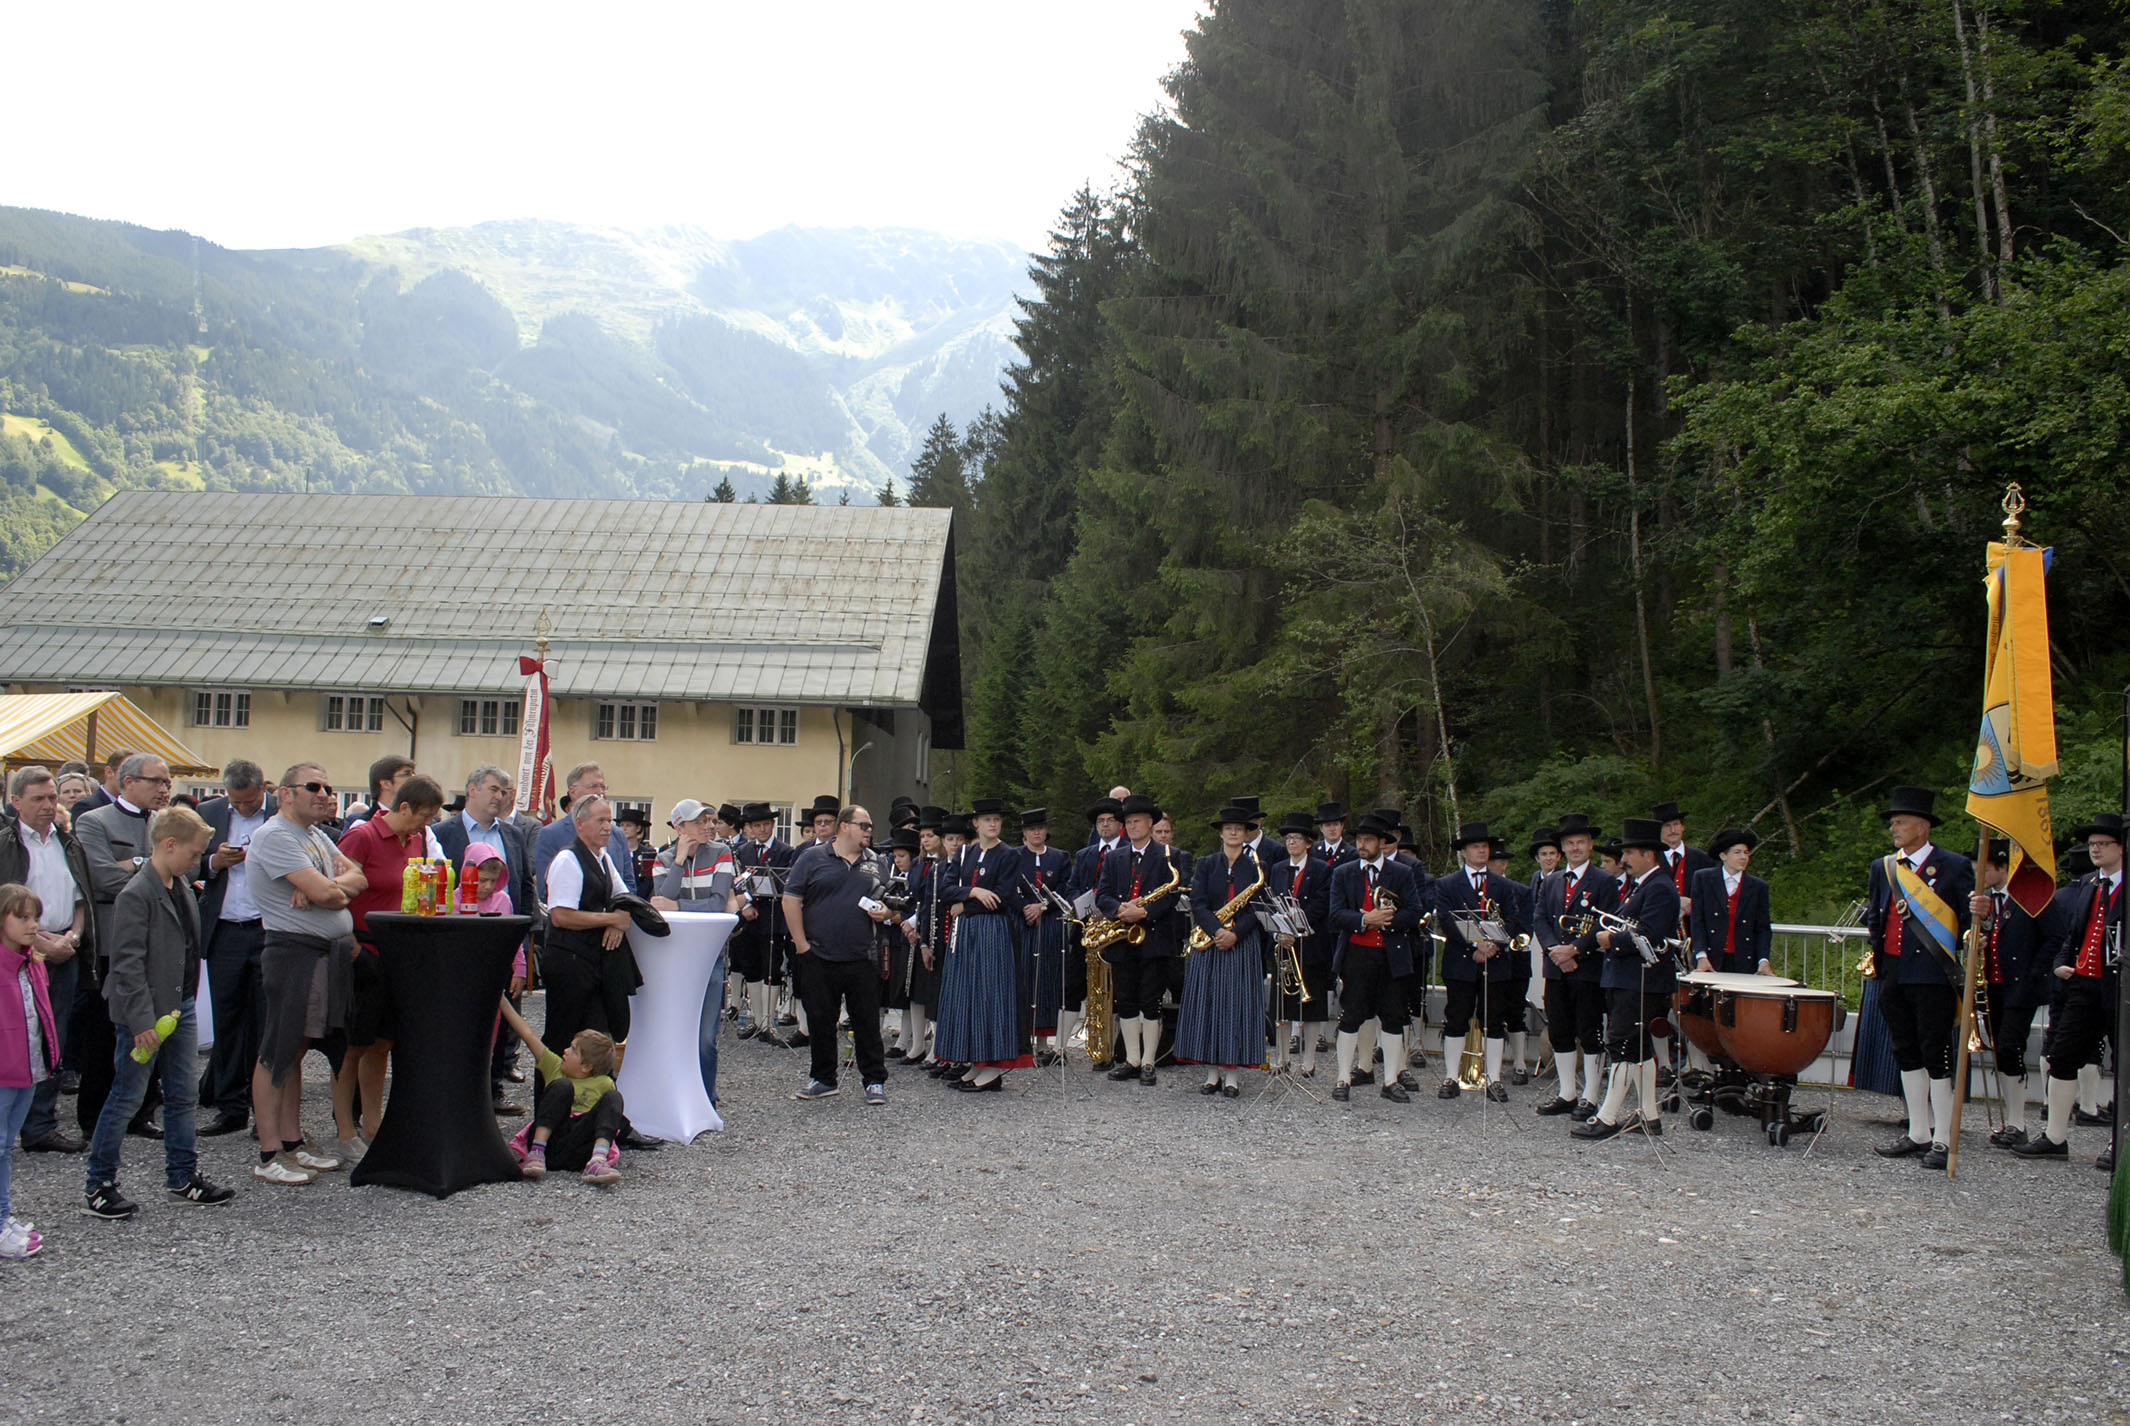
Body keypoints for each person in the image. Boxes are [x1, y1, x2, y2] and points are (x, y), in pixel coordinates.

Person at [81, 806, 234, 1219]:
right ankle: (99, 1183)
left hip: (178, 1006)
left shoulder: (179, 884)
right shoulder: (137, 894)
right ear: (169, 845)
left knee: (183, 1095)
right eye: (194, 852)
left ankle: (182, 1175)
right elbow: (127, 964)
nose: (197, 860)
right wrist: (141, 1021)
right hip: (146, 1014)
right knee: (126, 1097)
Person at [246, 764, 364, 1186]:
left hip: (322, 955)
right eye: (313, 786)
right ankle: (268, 1152)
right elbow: (329, 893)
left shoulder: (315, 836)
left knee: (296, 1050)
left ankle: (292, 1140)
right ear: (285, 793)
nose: (324, 793)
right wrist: (326, 888)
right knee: (277, 1049)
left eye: (328, 787)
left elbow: (357, 878)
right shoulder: (275, 836)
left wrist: (328, 886)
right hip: (293, 954)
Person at [333, 773, 446, 1155]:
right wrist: (351, 947)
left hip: (399, 952)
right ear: (404, 807)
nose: (426, 824)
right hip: (362, 949)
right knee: (352, 1045)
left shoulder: (416, 840)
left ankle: (373, 1121)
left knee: (382, 1043)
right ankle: (344, 1129)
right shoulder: (362, 836)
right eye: (424, 816)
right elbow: (337, 891)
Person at [1863, 786, 1974, 1171]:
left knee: (1935, 1053)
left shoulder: (1954, 866)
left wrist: (1982, 915)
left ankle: (1943, 1138)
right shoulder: (1883, 867)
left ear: (1922, 827)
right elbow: (1876, 915)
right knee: (1905, 1050)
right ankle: (1918, 1132)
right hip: (1893, 971)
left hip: (1932, 974)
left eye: (1901, 822)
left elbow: (1969, 921)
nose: (1894, 828)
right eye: (1893, 822)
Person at [2012, 811, 2124, 1163]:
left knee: (2124, 1064)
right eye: (2092, 844)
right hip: (2083, 985)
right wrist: (2062, 962)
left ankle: (2120, 1144)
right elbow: (2073, 933)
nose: (2095, 849)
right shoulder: (2089, 884)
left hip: (2121, 988)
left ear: (2122, 847)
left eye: (2103, 843)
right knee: (2062, 1056)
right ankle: (2055, 1136)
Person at [73, 753, 173, 1141]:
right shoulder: (95, 821)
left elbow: (186, 871)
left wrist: (133, 864)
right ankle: (95, 1116)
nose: (164, 789)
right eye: (156, 781)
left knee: (151, 1029)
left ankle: (141, 1111)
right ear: (129, 782)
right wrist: (152, 866)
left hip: (158, 944)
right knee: (104, 1032)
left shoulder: (167, 822)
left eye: (167, 782)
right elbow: (101, 878)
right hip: (113, 944)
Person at [0, 767, 94, 1155]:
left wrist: (72, 937)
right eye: (38, 798)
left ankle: (41, 1124)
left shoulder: (68, 843)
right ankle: (10, 1124)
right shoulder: (5, 845)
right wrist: (40, 942)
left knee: (55, 1037)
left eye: (52, 797)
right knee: (19, 1037)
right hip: (19, 957)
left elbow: (80, 897)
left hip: (64, 949)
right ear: (16, 801)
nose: (48, 805)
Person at [1570, 817, 1682, 1141]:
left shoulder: (1659, 887)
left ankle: (1607, 1116)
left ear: (1648, 854)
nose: (1624, 859)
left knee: (1621, 1045)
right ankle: (1649, 1114)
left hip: (1641, 980)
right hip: (1628, 978)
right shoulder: (1642, 885)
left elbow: (1650, 934)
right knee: (1639, 1048)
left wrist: (1611, 940)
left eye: (1630, 853)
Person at [433, 764, 534, 1109]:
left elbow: (523, 885)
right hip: (457, 950)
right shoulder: (442, 833)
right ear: (472, 790)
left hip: (502, 944)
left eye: (505, 791)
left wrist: (523, 938)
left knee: (500, 1023)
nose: (500, 797)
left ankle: (492, 1092)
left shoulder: (513, 835)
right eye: (494, 789)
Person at [782, 805, 895, 1104]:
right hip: (819, 953)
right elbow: (791, 899)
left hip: (864, 955)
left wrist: (886, 913)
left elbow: (890, 904)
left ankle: (874, 1080)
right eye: (864, 825)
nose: (869, 831)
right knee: (820, 1020)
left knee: (867, 1021)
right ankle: (823, 1078)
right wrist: (801, 944)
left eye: (870, 826)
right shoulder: (812, 858)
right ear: (844, 826)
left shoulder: (877, 862)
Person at [193, 760, 274, 1137]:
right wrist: (214, 862)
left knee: (265, 1023)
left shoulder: (280, 812)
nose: (242, 808)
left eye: (249, 802)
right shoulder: (209, 812)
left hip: (267, 929)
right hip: (224, 930)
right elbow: (186, 863)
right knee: (226, 1021)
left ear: (263, 789)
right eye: (236, 802)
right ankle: (230, 1106)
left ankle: (265, 1111)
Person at [540, 796, 642, 1094]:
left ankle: (594, 1108)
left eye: (609, 820)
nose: (608, 827)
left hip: (594, 963)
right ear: (580, 823)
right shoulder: (568, 860)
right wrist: (610, 919)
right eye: (601, 820)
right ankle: (550, 1109)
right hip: (568, 962)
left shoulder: (604, 858)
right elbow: (560, 916)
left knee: (596, 1041)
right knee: (561, 1039)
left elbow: (624, 898)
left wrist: (617, 920)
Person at [1326, 814, 1426, 1103]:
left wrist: (1386, 920)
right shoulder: (1344, 873)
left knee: (1394, 1016)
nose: (1362, 845)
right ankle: (1343, 1077)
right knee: (1351, 1015)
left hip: (1391, 955)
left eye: (1368, 840)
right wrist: (1364, 920)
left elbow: (1415, 911)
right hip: (1357, 955)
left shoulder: (1402, 872)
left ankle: (1390, 1080)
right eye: (1359, 840)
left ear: (1382, 843)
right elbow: (1335, 914)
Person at [934, 799, 1032, 1092]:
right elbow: (945, 889)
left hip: (993, 932)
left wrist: (964, 905)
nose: (993, 824)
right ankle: (976, 1061)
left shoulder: (1008, 855)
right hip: (966, 935)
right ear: (976, 823)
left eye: (997, 819)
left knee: (991, 994)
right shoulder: (966, 852)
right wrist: (974, 892)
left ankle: (993, 1068)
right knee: (968, 993)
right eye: (987, 819)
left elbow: (1002, 897)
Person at [1966, 841, 2055, 1149]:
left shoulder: (2030, 896)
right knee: (2001, 1051)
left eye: (1983, 869)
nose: (1978, 875)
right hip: (1994, 985)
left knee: (2010, 1046)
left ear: (2002, 867)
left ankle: (2018, 1121)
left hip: (2020, 985)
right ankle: (2010, 1120)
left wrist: (2034, 973)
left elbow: (2054, 936)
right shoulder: (1987, 901)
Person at [1179, 806, 1271, 1097]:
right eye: (1228, 828)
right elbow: (1198, 903)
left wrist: (1235, 934)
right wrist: (1217, 931)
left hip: (1241, 943)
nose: (1233, 832)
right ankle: (1211, 1075)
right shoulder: (1206, 863)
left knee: (1236, 1005)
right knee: (1207, 1004)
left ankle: (1232, 1077)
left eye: (1239, 829)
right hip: (1209, 940)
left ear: (1245, 834)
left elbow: (1258, 908)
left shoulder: (1256, 866)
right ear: (1221, 833)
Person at [1432, 822, 1528, 1102]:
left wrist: (1492, 945)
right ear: (1464, 852)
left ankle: (1494, 1078)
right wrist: (1475, 944)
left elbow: (1513, 919)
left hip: (1495, 961)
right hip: (1461, 961)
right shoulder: (1448, 883)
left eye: (1485, 847)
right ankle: (1452, 1076)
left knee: (1494, 1020)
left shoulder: (1502, 885)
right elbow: (1447, 920)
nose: (1482, 851)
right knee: (1456, 1017)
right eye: (1475, 847)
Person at [650, 798, 736, 1103]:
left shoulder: (721, 852)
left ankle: (706, 1097)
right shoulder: (663, 858)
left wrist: (678, 906)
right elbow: (661, 903)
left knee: (706, 1038)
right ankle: (679, 1094)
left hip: (710, 956)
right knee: (676, 1031)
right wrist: (678, 862)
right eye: (698, 822)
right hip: (674, 957)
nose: (707, 826)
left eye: (709, 821)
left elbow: (718, 904)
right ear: (679, 827)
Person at [1097, 795, 1186, 1086]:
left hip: (1155, 939)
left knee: (1151, 1001)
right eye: (1129, 822)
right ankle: (1132, 1059)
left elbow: (1172, 896)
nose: (1132, 826)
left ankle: (1149, 1061)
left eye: (1137, 821)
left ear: (1150, 824)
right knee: (1126, 999)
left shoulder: (1169, 855)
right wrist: (1119, 909)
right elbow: (1103, 894)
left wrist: (1145, 912)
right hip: (1123, 939)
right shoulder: (1114, 857)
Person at [1532, 814, 1615, 1119]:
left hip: (1587, 967)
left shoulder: (1604, 881)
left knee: (1589, 1031)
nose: (1576, 847)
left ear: (1590, 846)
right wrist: (1555, 950)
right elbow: (1540, 918)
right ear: (1563, 847)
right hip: (1556, 967)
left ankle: (1590, 1096)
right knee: (1560, 1030)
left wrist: (1575, 950)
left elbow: (1605, 922)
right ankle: (1567, 1092)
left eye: (1581, 842)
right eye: (1570, 843)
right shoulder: (1552, 880)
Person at [496, 999, 624, 1186]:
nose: (565, 1051)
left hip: (579, 1147)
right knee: (562, 1086)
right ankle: (536, 1152)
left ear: (586, 1066)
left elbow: (609, 1116)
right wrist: (502, 1001)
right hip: (553, 1142)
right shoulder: (555, 1067)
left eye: (573, 1050)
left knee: (614, 1098)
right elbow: (527, 1034)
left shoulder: (604, 1083)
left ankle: (597, 1160)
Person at [1, 883, 60, 1257]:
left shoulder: (33, 963)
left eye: (35, 917)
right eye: (22, 917)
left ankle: (3, 1215)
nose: (32, 925)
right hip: (5, 1072)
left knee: (6, 1146)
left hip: (27, 1069)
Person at [1266, 811, 1333, 1075]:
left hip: (1310, 943)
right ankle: (1282, 1058)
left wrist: (1296, 926)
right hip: (1284, 944)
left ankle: (1309, 1061)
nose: (1291, 842)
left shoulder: (1322, 869)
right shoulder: (1278, 869)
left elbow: (1321, 904)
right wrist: (1279, 932)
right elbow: (1272, 903)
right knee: (1282, 1006)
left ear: (1308, 843)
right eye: (1288, 838)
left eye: (1296, 837)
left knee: (1312, 1006)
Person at [726, 801, 795, 1046]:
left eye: (766, 824)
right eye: (757, 826)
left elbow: (784, 881)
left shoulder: (785, 851)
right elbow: (737, 883)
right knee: (751, 968)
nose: (762, 829)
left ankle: (769, 1022)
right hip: (749, 919)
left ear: (773, 825)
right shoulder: (743, 851)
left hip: (772, 918)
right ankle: (757, 1019)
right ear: (750, 828)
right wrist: (745, 905)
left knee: (772, 968)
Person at [1015, 809, 1072, 1066]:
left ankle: (1043, 1043)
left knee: (1048, 980)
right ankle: (1023, 1040)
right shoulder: (1014, 856)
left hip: (1050, 925)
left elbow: (1066, 889)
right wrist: (1026, 909)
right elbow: (1008, 887)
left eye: (1040, 828)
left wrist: (1043, 906)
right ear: (1024, 832)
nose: (1036, 832)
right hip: (1024, 924)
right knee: (1025, 978)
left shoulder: (1060, 857)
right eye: (1031, 829)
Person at [534, 764, 637, 898]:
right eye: (593, 786)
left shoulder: (617, 834)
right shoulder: (551, 834)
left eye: (602, 787)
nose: (600, 792)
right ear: (573, 792)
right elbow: (546, 889)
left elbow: (629, 883)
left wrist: (622, 907)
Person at [1689, 829, 1774, 976]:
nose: (1743, 857)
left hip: (1744, 959)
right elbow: (1697, 920)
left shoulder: (1758, 886)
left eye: (1746, 853)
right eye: (1737, 852)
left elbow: (1763, 928)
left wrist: (1763, 960)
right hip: (1710, 957)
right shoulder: (1703, 879)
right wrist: (1701, 955)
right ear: (1723, 855)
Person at [69, 750, 134, 821]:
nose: (132, 778)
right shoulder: (86, 807)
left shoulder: (136, 807)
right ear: (109, 772)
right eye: (127, 772)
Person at [1312, 803, 1355, 872]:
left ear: (1342, 826)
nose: (1332, 829)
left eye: (1335, 824)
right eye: (1327, 825)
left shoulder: (1352, 854)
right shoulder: (1312, 851)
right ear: (1321, 828)